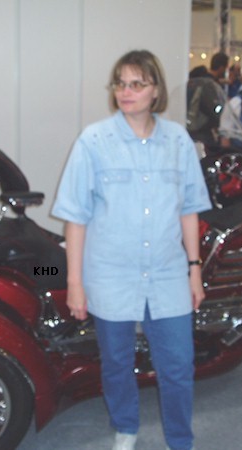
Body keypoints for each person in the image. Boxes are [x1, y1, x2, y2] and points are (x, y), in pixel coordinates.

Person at [52, 50, 211, 450]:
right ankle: (125, 426)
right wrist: (75, 283)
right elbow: (76, 218)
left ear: (156, 90)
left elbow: (189, 209)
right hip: (111, 273)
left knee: (178, 365)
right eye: (120, 83)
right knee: (117, 362)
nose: (126, 91)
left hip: (168, 272)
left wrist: (194, 269)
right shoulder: (93, 140)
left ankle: (180, 439)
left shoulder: (178, 141)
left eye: (137, 84)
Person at [186, 52, 229, 152]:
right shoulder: (208, 85)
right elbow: (214, 109)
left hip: (192, 127)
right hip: (202, 130)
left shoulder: (199, 81)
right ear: (222, 67)